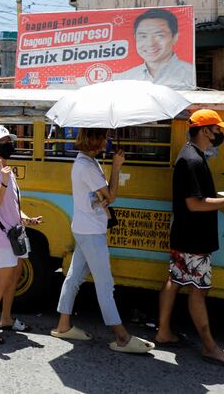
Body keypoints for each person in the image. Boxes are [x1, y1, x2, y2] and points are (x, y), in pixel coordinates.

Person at [154, 109, 224, 370]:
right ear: (205, 131)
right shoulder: (192, 160)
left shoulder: (191, 156)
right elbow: (194, 204)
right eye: (217, 129)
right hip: (194, 239)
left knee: (174, 280)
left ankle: (163, 331)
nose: (219, 133)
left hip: (185, 235)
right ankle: (210, 347)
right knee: (199, 290)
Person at [51, 128, 154, 354]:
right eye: (105, 137)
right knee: (105, 285)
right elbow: (111, 196)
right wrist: (117, 166)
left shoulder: (86, 162)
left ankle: (63, 325)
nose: (107, 141)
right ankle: (122, 337)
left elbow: (99, 197)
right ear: (96, 139)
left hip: (85, 227)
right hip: (90, 232)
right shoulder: (87, 166)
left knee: (74, 277)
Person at [0, 126, 42, 344]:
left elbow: (10, 204)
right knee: (3, 280)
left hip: (15, 233)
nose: (8, 145)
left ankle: (5, 319)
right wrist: (3, 181)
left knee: (16, 273)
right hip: (2, 236)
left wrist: (25, 218)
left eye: (9, 141)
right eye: (2, 142)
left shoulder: (5, 169)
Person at [113, 8, 194, 89]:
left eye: (159, 35)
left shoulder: (190, 74)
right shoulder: (124, 79)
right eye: (143, 36)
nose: (150, 43)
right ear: (135, 38)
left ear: (175, 38)